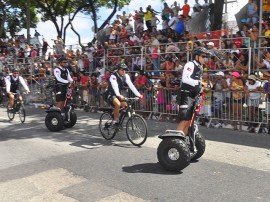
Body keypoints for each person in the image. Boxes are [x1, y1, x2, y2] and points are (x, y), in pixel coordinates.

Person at [176, 47, 210, 136]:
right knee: (184, 120)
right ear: (196, 56)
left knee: (190, 121)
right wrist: (201, 83)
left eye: (206, 56)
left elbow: (197, 84)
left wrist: (203, 88)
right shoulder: (190, 64)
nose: (205, 58)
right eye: (203, 56)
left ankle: (183, 142)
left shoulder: (201, 68)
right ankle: (176, 141)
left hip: (194, 96)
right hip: (186, 95)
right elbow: (186, 80)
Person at [105, 62, 143, 128]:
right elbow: (115, 86)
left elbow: (131, 86)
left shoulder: (126, 76)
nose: (124, 71)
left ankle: (118, 119)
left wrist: (138, 95)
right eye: (122, 70)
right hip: (110, 94)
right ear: (118, 70)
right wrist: (118, 95)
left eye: (125, 70)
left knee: (125, 106)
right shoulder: (113, 76)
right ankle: (115, 121)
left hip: (118, 95)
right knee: (118, 104)